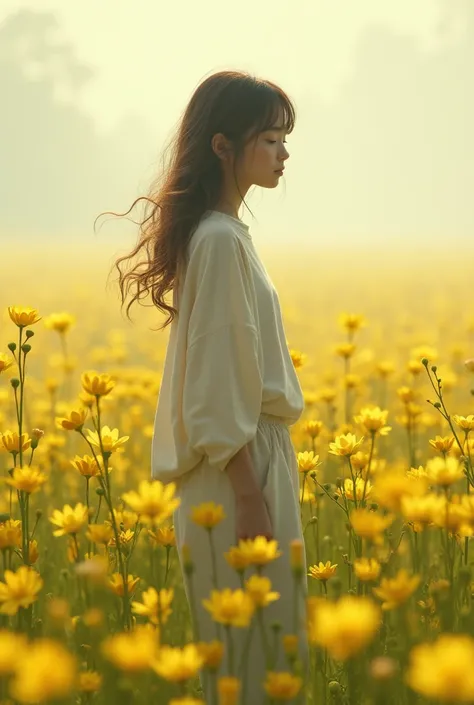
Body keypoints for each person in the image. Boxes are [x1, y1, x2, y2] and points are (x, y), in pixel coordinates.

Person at [111, 70, 309, 704]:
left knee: (260, 663)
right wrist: (250, 498)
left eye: (285, 138)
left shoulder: (223, 235)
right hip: (238, 476)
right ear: (224, 146)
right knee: (256, 672)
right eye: (271, 137)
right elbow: (218, 385)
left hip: (244, 466)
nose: (284, 152)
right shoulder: (221, 241)